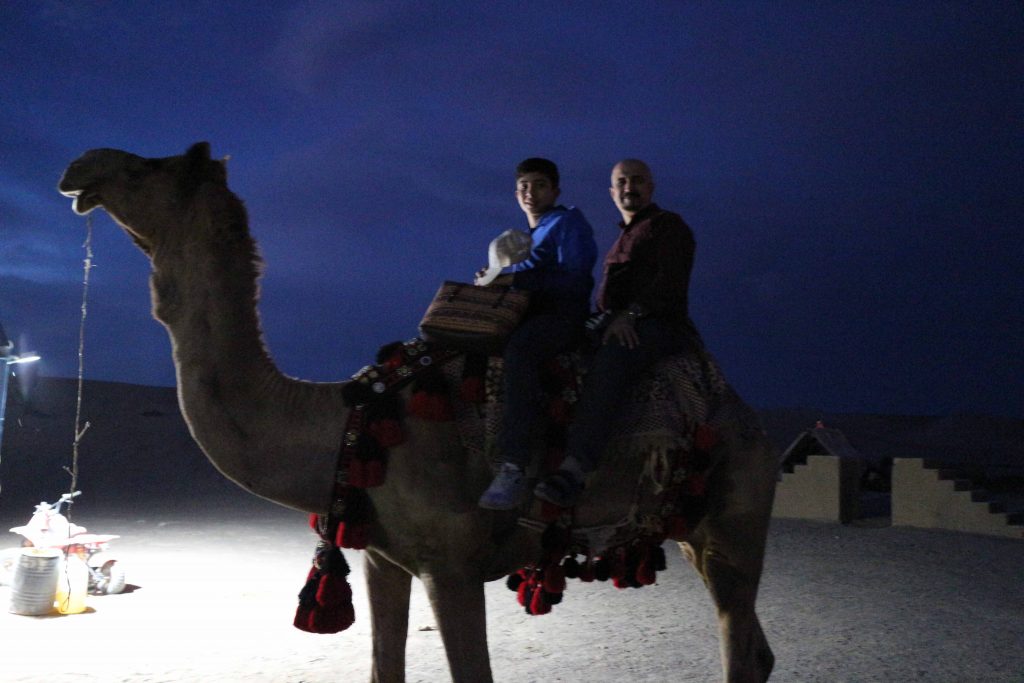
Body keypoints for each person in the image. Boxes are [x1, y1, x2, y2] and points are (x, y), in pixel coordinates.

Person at [533, 159, 702, 507]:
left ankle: (576, 466)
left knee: (614, 356)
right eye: (622, 182)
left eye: (637, 181)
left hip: (660, 324)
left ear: (651, 187)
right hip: (615, 320)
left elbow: (669, 284)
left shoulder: (668, 226)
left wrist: (631, 315)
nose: (630, 187)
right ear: (612, 192)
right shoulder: (620, 238)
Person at [478, 158, 597, 510]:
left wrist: (515, 278)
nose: (531, 192)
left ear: (555, 190)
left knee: (521, 353)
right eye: (524, 186)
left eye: (540, 185)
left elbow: (576, 278)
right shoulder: (527, 237)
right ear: (517, 193)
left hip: (562, 316)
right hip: (530, 315)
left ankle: (514, 464)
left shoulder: (567, 222)